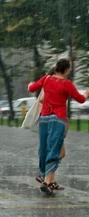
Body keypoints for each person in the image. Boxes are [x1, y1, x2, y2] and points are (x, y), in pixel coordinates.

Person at [28, 59, 89, 194]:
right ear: (66, 70)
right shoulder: (67, 84)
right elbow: (81, 99)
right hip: (58, 120)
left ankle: (47, 178)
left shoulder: (46, 79)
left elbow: (32, 88)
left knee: (45, 148)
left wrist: (31, 83)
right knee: (55, 149)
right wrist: (86, 93)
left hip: (44, 119)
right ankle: (47, 181)